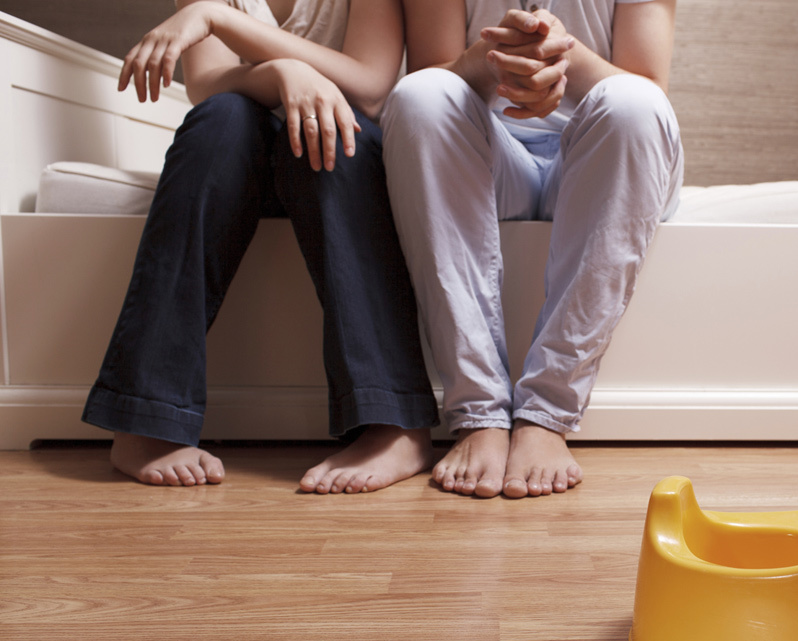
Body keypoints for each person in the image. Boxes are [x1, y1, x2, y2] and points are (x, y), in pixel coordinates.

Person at [82, 0, 439, 492]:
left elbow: (371, 87)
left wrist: (221, 19)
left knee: (341, 124)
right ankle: (146, 416)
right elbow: (206, 87)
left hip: (333, 163)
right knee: (221, 118)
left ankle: (393, 422)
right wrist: (283, 73)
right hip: (236, 161)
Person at [381, 0, 683, 498]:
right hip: (492, 156)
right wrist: (491, 57)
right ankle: (479, 412)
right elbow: (435, 73)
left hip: (604, 149)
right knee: (420, 95)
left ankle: (547, 412)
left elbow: (647, 83)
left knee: (635, 103)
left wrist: (563, 56)